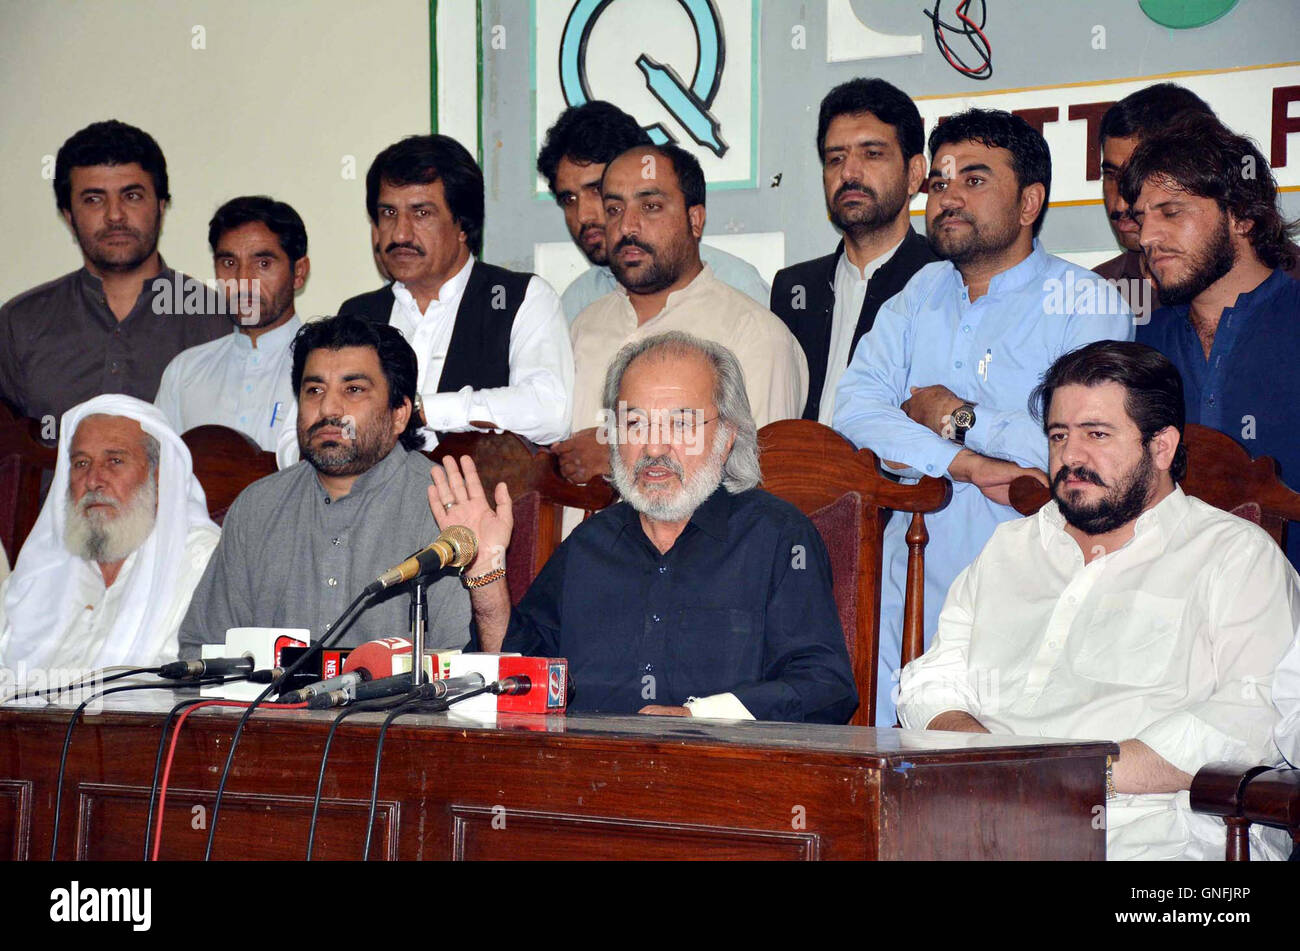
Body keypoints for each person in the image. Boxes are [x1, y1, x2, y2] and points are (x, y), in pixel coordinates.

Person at [897, 341, 1299, 860]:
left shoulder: (1234, 557)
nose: (1070, 457)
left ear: (1162, 448)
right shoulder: (1008, 549)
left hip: (1150, 835)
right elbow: (932, 680)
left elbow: (1253, 714)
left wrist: (1077, 776)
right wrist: (990, 764)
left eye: (1097, 435)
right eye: (1059, 435)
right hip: (981, 822)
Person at [833, 108, 1133, 726]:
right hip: (905, 589)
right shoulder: (916, 296)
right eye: (939, 183)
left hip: (1035, 600)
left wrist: (958, 415)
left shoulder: (1087, 303)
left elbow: (1081, 450)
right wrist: (963, 463)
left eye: (973, 180)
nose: (948, 198)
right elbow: (854, 411)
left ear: (1029, 202)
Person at [433, 332, 856, 723]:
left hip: (725, 786)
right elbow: (515, 682)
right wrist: (485, 577)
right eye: (635, 424)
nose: (654, 447)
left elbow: (824, 689)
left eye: (681, 424)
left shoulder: (778, 538)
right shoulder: (590, 544)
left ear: (727, 436)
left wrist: (699, 718)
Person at [177, 316, 471, 657]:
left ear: (399, 414)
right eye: (314, 390)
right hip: (264, 711)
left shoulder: (443, 507)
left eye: (354, 390)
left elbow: (459, 664)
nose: (329, 408)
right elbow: (203, 650)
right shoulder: (258, 508)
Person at [553, 143, 807, 490]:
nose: (627, 226)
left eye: (651, 206)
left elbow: (763, 492)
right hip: (575, 544)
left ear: (695, 219)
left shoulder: (752, 335)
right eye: (614, 209)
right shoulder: (585, 325)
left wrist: (617, 455)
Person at [1121, 111, 1300, 572]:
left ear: (1241, 215)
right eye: (1141, 218)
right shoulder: (1139, 346)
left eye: (1171, 212)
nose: (1148, 237)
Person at [337, 134, 571, 447]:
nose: (401, 233)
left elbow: (549, 411)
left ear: (462, 225)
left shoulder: (517, 298)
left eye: (421, 213)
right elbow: (305, 430)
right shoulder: (356, 315)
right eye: (389, 213)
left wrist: (419, 411)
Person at [0, 121, 227, 436]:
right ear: (68, 215)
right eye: (94, 199)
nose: (115, 215)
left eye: (132, 196)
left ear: (161, 205)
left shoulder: (217, 321)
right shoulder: (19, 323)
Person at [0, 396, 219, 673]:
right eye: (81, 463)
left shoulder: (202, 564)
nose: (93, 480)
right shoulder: (40, 568)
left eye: (115, 461)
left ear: (159, 476)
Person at [770, 78, 937, 423]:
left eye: (872, 154)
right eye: (835, 158)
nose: (848, 172)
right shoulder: (795, 288)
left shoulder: (944, 280)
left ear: (914, 173)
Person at [537, 101, 771, 324]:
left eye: (597, 190)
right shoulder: (579, 302)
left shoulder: (736, 286)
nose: (583, 216)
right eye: (568, 199)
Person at [154, 196, 308, 450]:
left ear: (299, 273)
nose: (243, 280)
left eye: (263, 263)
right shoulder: (184, 373)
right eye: (229, 263)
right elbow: (163, 476)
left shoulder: (326, 370)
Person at [1092, 83, 1216, 322]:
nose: (1118, 205)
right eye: (1110, 175)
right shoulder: (1090, 295)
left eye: (1135, 177)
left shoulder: (1287, 282)